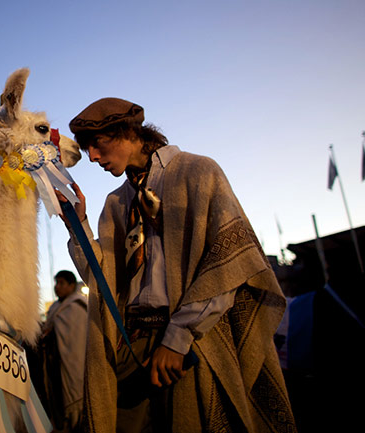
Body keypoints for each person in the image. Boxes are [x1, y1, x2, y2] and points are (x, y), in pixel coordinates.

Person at [59, 98, 296, 432]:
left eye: (98, 144)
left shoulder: (197, 172)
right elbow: (102, 279)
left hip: (189, 341)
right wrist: (76, 222)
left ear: (128, 132)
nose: (93, 157)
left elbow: (228, 264)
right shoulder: (116, 202)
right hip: (133, 347)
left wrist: (177, 338)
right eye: (87, 149)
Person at [39, 270, 87, 433]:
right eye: (56, 283)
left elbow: (77, 342)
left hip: (75, 366)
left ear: (72, 285)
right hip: (56, 367)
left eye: (61, 283)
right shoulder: (55, 307)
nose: (57, 287)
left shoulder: (78, 305)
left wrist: (50, 333)